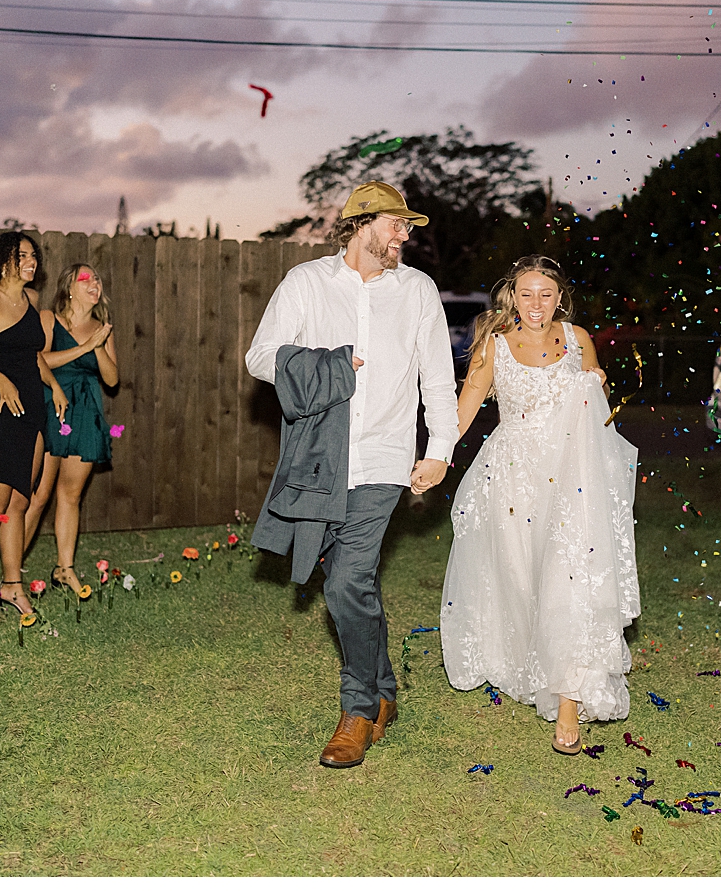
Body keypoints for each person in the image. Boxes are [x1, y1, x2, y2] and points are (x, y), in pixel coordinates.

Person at [246, 181, 458, 769]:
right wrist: (323, 364)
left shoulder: (417, 290)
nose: (404, 236)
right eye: (396, 224)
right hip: (320, 458)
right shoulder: (307, 283)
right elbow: (261, 355)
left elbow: (438, 377)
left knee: (344, 582)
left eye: (408, 228)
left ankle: (357, 710)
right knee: (353, 583)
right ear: (361, 223)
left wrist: (439, 448)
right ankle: (385, 689)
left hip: (385, 459)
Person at [438, 256, 641, 754]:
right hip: (514, 480)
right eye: (526, 293)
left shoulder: (578, 338)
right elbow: (466, 409)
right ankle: (531, 658)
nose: (536, 304)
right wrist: (437, 457)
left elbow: (600, 403)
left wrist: (596, 381)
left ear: (560, 297)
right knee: (521, 576)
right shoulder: (493, 345)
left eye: (545, 294)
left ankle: (568, 700)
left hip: (573, 477)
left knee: (569, 575)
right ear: (511, 296)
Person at [0, 231, 67, 620]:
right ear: (2, 259)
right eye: (22, 255)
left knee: (20, 501)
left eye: (33, 255)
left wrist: (53, 386)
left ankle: (11, 585)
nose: (31, 260)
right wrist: (0, 379)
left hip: (34, 408)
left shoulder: (32, 300)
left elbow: (34, 355)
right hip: (0, 410)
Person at [23, 263, 118, 592]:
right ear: (70, 288)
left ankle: (64, 568)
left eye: (97, 278)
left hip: (85, 412)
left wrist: (100, 345)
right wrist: (84, 348)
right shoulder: (50, 319)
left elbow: (112, 378)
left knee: (71, 495)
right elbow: (38, 360)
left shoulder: (102, 328)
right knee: (39, 495)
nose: (95, 282)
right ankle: (9, 571)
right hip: (53, 406)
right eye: (86, 278)